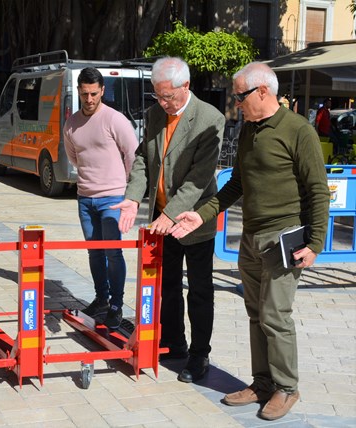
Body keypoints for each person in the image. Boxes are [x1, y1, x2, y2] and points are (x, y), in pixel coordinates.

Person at [169, 62, 329, 421]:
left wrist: (315, 243)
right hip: (251, 237)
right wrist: (201, 213)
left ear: (262, 92)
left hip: (283, 238)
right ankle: (262, 383)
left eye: (239, 96)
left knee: (275, 316)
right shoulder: (248, 131)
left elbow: (319, 191)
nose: (235, 103)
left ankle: (287, 387)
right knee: (256, 315)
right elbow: (236, 185)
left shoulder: (298, 131)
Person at [111, 57, 225, 383]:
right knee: (168, 286)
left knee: (200, 290)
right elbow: (142, 162)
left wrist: (171, 214)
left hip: (193, 220)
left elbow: (199, 178)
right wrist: (133, 197)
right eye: (158, 96)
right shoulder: (154, 115)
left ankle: (199, 355)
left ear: (185, 86)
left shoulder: (209, 119)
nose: (163, 103)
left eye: (168, 97)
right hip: (162, 217)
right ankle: (174, 342)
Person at [62, 67, 138, 329]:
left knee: (113, 252)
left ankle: (117, 305)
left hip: (113, 199)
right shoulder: (71, 123)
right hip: (85, 198)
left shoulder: (115, 120)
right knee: (95, 253)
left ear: (102, 91)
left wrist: (124, 188)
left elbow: (132, 155)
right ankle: (102, 299)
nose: (90, 99)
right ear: (79, 91)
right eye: (85, 94)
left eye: (94, 94)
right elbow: (74, 157)